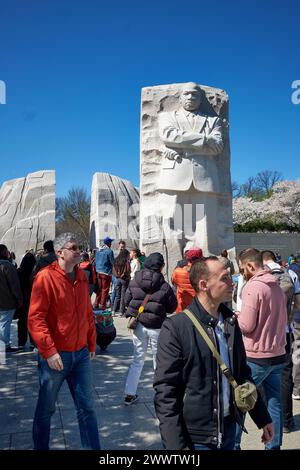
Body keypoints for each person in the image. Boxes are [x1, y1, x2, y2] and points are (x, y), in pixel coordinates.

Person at [154, 256, 273, 450]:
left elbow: (242, 374)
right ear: (204, 285)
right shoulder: (176, 328)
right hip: (197, 438)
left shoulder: (231, 322)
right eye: (225, 278)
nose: (232, 283)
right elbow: (166, 393)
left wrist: (262, 418)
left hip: (229, 429)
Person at [28, 233, 100, 450]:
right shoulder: (45, 277)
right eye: (74, 247)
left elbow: (87, 311)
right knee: (46, 410)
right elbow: (36, 318)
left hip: (80, 355)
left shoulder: (82, 276)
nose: (79, 251)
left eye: (79, 247)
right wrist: (49, 352)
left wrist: (91, 341)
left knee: (87, 409)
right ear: (60, 252)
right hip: (55, 357)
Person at [157, 82, 228, 256]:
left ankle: (208, 258)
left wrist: (182, 143)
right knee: (172, 220)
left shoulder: (213, 120)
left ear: (201, 98)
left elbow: (217, 146)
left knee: (206, 224)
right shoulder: (167, 116)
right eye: (187, 94)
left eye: (195, 95)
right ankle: (173, 258)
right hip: (175, 175)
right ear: (180, 98)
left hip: (205, 176)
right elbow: (168, 136)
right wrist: (204, 140)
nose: (190, 98)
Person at [236, 248, 287, 449]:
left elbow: (247, 326)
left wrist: (236, 316)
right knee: (274, 403)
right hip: (278, 353)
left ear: (250, 265)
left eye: (242, 269)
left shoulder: (253, 287)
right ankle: (273, 446)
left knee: (239, 402)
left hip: (256, 356)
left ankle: (233, 445)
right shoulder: (276, 285)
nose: (242, 273)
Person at [124, 252, 177, 405]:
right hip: (157, 326)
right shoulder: (164, 285)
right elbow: (171, 308)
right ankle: (161, 394)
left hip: (139, 324)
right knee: (158, 360)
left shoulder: (135, 280)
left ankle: (129, 393)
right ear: (161, 267)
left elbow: (127, 300)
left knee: (137, 360)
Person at [262, 250, 297, 433]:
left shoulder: (255, 276)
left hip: (261, 336)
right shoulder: (289, 274)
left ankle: (264, 420)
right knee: (284, 377)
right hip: (284, 332)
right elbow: (298, 303)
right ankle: (286, 422)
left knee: (261, 376)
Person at [0, 244, 23, 352]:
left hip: (5, 300)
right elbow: (15, 285)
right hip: (6, 301)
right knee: (5, 324)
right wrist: (19, 299)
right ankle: (4, 346)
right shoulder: (7, 265)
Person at [16, 252, 36, 349]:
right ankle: (33, 341)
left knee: (22, 321)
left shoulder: (19, 272)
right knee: (33, 321)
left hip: (22, 299)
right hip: (33, 299)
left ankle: (21, 341)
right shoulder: (36, 272)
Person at [171, 248, 202, 312]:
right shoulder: (204, 273)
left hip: (183, 308)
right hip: (199, 307)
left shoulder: (178, 272)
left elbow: (173, 281)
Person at [93, 236, 114, 311]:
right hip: (106, 272)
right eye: (110, 242)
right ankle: (102, 305)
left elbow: (95, 262)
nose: (111, 244)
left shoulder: (98, 250)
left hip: (98, 272)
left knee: (99, 289)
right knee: (105, 290)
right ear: (108, 243)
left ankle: (96, 304)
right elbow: (112, 262)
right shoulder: (109, 251)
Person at [112, 249, 131, 316]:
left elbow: (113, 270)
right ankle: (121, 312)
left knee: (117, 295)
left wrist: (117, 275)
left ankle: (113, 310)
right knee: (123, 296)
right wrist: (124, 275)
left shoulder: (116, 260)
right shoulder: (126, 261)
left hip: (118, 279)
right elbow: (128, 270)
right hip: (124, 279)